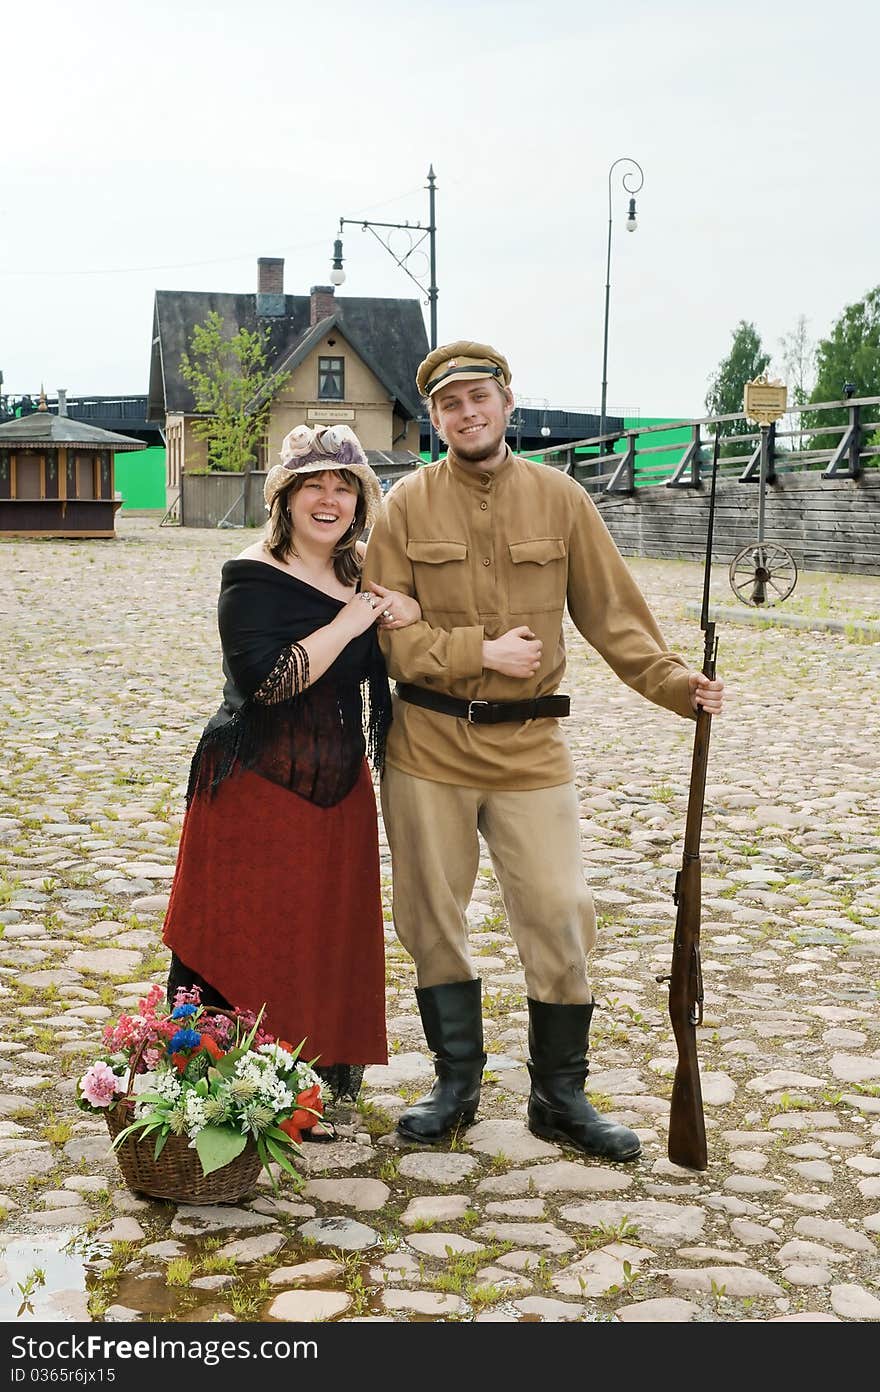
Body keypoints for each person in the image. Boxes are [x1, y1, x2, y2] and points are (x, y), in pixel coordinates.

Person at [362, 341, 725, 1162]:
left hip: (531, 746)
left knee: (562, 910)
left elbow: (613, 616)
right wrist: (477, 654)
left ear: (507, 402)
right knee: (430, 915)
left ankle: (559, 1096)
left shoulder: (562, 501)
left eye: (478, 397)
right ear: (435, 418)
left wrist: (676, 685)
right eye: (450, 403)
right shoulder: (404, 507)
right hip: (428, 744)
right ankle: (455, 1084)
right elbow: (390, 635)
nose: (466, 412)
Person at [161, 423, 420, 1123]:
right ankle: (220, 1083)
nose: (330, 500)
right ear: (286, 498)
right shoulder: (250, 576)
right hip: (255, 782)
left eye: (344, 487)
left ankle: (302, 1076)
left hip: (338, 782)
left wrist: (399, 607)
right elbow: (270, 680)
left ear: (360, 502)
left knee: (321, 934)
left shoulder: (358, 569)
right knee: (244, 934)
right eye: (315, 486)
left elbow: (403, 626)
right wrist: (353, 617)